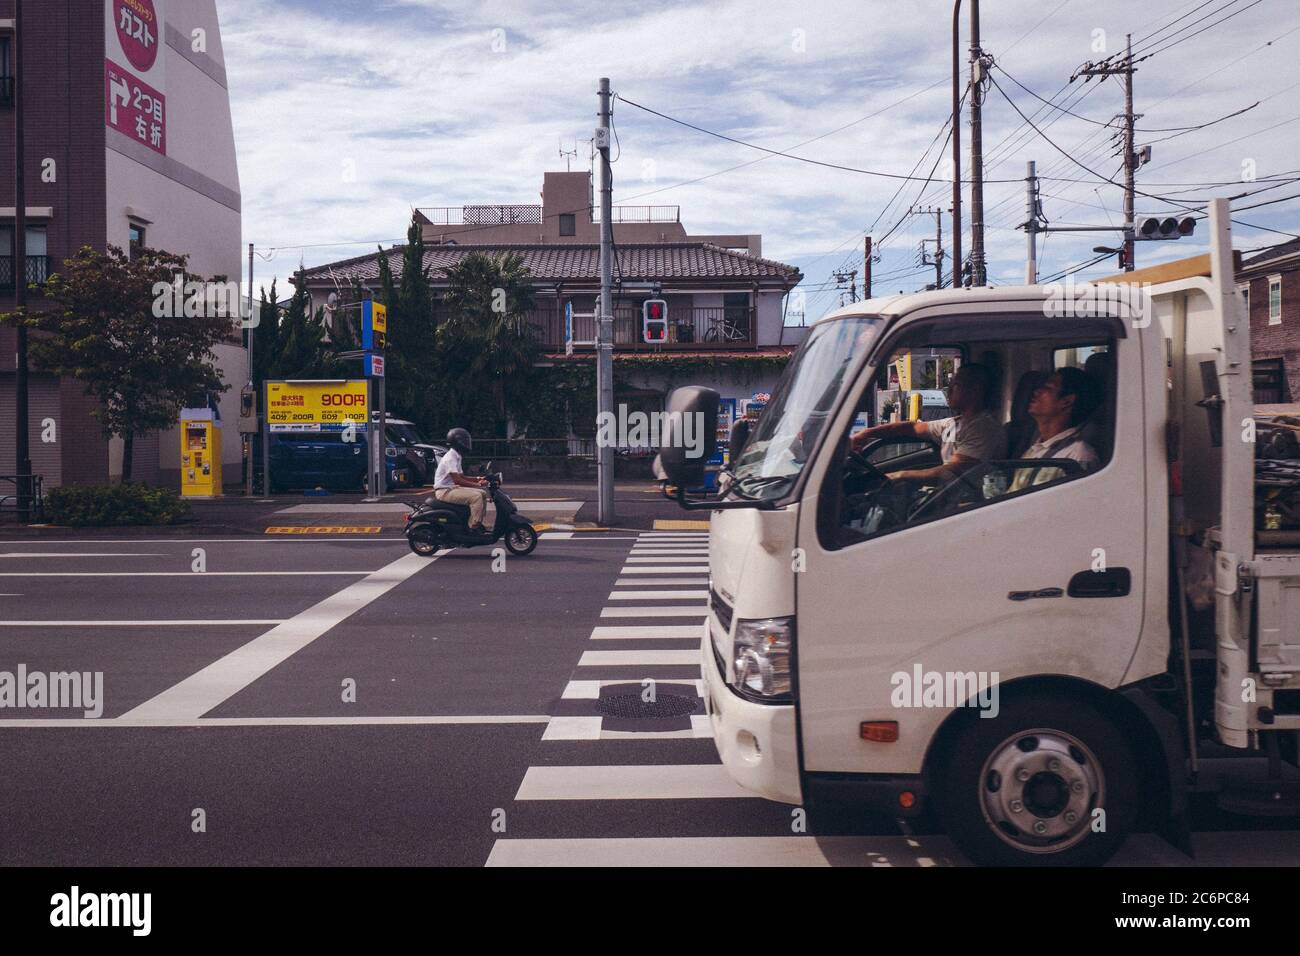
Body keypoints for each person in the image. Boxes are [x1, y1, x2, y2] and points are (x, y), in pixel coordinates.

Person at [850, 362, 1005, 484]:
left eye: (956, 384)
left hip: (968, 505)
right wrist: (867, 434)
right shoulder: (955, 423)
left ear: (975, 390)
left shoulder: (983, 428)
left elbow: (953, 471)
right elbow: (913, 427)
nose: (949, 389)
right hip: (949, 495)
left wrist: (901, 476)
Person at [1010, 367, 1102, 491]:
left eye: (1048, 388)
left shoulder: (1078, 456)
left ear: (1067, 401)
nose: (1036, 392)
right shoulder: (1034, 449)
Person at [433, 427, 490, 532]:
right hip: (444, 492)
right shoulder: (450, 458)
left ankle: (478, 522)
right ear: (456, 442)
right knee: (476, 497)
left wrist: (479, 479)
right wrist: (479, 485)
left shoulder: (456, 456)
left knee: (482, 493)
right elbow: (457, 480)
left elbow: (462, 477)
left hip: (451, 489)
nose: (466, 443)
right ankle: (473, 527)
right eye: (463, 441)